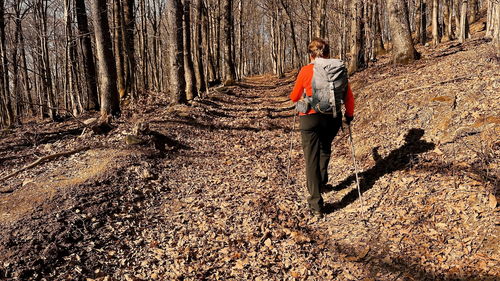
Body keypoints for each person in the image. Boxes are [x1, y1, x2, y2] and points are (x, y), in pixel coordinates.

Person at [289, 38, 355, 218]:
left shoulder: (306, 70)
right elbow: (348, 96)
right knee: (325, 147)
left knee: (311, 158)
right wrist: (349, 115)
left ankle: (315, 204)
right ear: (327, 52)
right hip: (333, 117)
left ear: (311, 54)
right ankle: (322, 181)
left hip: (310, 117)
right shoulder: (338, 69)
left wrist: (303, 94)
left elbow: (294, 97)